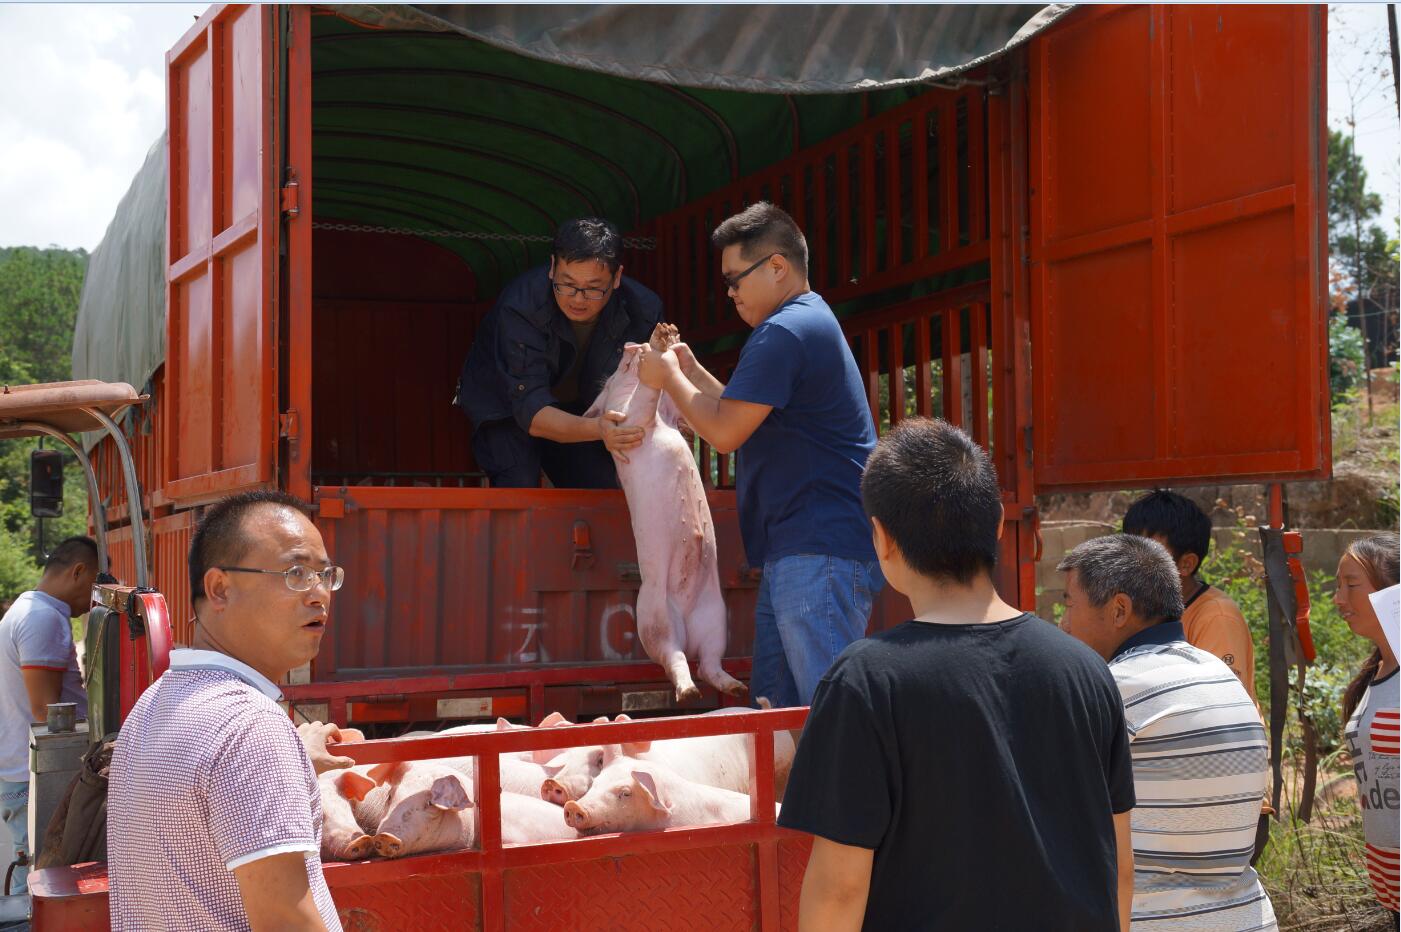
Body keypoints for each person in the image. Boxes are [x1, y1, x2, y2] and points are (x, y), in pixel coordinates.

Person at [778, 418, 1135, 931]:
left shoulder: (865, 681)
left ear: (882, 540)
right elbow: (1118, 865)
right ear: (996, 526)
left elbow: (839, 889)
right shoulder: (1085, 671)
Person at [637, 202, 883, 708]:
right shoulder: (802, 323)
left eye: (734, 280)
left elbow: (725, 432)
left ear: (777, 266)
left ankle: (850, 791)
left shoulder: (784, 330)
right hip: (804, 548)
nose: (729, 294)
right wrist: (690, 371)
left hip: (820, 548)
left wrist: (667, 377)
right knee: (778, 719)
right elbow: (743, 416)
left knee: (828, 715)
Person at [108, 491, 346, 931]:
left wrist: (295, 757)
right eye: (296, 573)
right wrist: (278, 749)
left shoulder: (154, 705)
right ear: (220, 588)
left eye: (325, 575)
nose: (319, 595)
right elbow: (285, 922)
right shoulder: (250, 729)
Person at [1058, 533, 1277, 931]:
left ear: (1119, 609)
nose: (1063, 624)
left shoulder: (1115, 687)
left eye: (1069, 604)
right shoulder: (1220, 676)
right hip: (1246, 918)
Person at [456, 217, 663, 488]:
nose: (578, 298)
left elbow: (646, 388)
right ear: (552, 268)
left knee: (602, 485)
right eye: (567, 284)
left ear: (617, 278)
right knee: (519, 484)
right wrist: (598, 429)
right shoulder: (520, 305)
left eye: (592, 288)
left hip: (585, 408)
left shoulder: (644, 310)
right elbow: (530, 408)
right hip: (507, 406)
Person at [0, 536, 96, 902]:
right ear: (78, 572)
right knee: (38, 893)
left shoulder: (27, 609)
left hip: (20, 773)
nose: (93, 601)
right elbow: (48, 715)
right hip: (36, 777)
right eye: (94, 585)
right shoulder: (43, 618)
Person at [1123, 490, 1256, 698]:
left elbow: (1217, 700)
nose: (1132, 563)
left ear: (1186, 564)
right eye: (1128, 550)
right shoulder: (1143, 608)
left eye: (1147, 553)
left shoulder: (1217, 617)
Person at [1334, 533, 1399, 916]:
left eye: (1351, 586)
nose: (1339, 599)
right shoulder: (1373, 675)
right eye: (1337, 586)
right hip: (1388, 883)